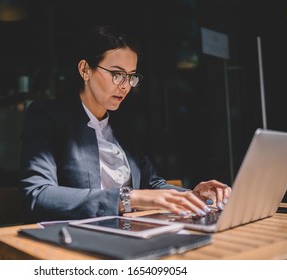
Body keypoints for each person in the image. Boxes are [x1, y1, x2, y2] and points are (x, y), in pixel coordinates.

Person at [19, 25, 231, 222]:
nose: (125, 86)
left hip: (130, 229)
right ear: (85, 70)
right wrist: (128, 198)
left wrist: (192, 196)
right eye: (117, 74)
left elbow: (151, 184)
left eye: (131, 76)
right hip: (78, 234)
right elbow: (38, 194)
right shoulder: (48, 116)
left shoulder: (123, 125)